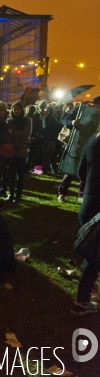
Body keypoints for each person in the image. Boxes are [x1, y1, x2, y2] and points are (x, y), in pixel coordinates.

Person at [72, 132, 100, 315]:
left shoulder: (92, 139)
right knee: (94, 258)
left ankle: (89, 287)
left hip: (88, 204)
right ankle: (81, 301)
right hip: (97, 206)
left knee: (92, 255)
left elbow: (81, 171)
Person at [6, 101, 31, 202]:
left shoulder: (27, 120)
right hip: (11, 150)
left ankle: (18, 195)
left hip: (21, 150)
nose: (16, 111)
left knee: (20, 174)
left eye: (18, 109)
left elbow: (26, 134)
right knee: (11, 173)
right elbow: (8, 135)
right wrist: (17, 134)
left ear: (22, 110)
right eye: (15, 109)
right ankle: (11, 194)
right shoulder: (9, 121)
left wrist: (13, 133)